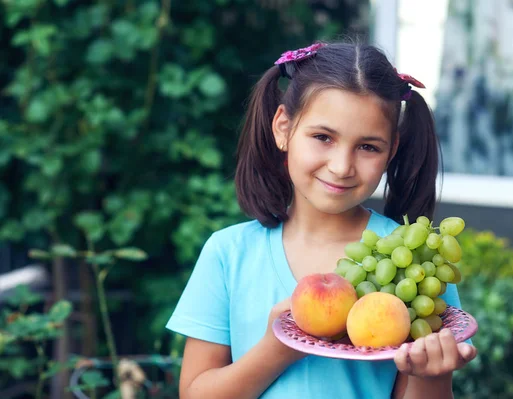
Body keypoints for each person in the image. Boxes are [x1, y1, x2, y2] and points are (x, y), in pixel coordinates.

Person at [166, 41, 477, 399]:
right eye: (323, 137)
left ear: (392, 150)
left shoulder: (415, 262)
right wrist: (278, 347)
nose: (342, 166)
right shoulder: (228, 254)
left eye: (368, 147)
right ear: (283, 128)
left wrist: (432, 377)